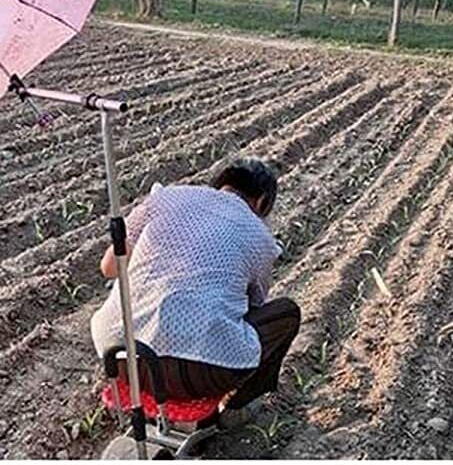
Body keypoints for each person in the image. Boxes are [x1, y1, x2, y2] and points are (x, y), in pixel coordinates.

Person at [90, 157, 301, 412]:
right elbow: (254, 305)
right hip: (200, 375)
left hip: (121, 360)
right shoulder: (259, 235)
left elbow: (110, 267)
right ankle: (237, 405)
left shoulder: (165, 197)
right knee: (286, 313)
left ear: (219, 183)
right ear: (262, 202)